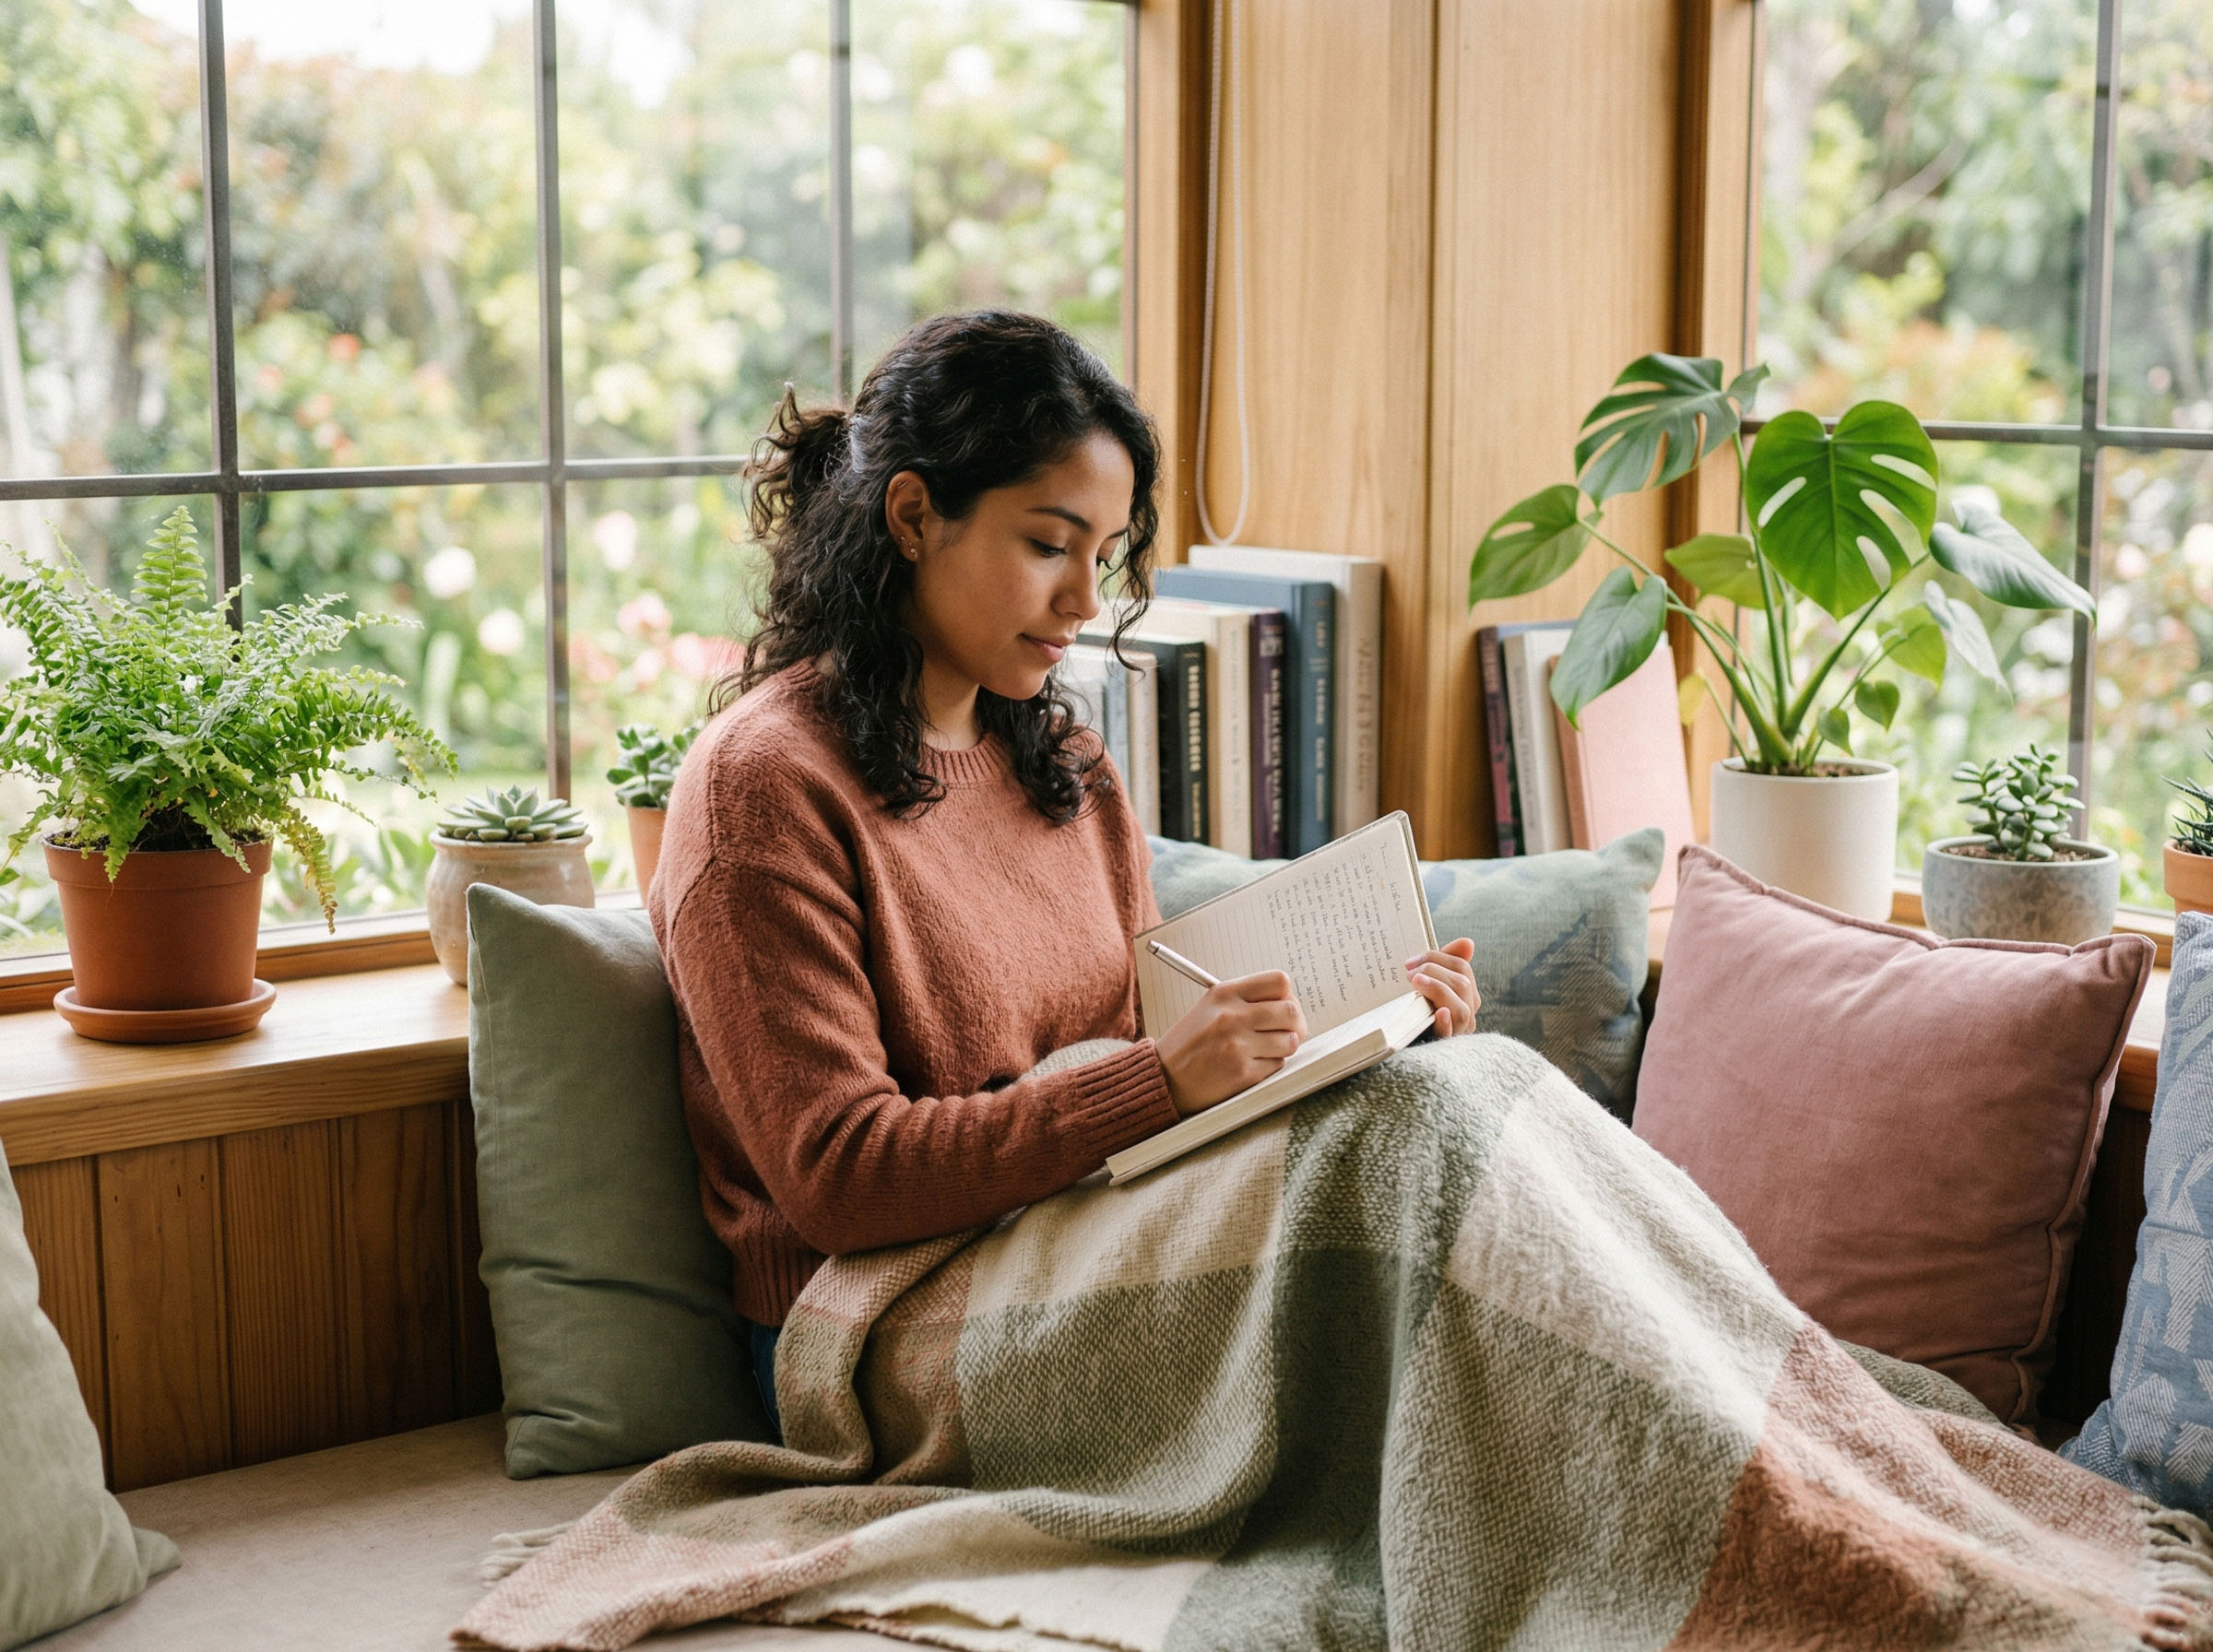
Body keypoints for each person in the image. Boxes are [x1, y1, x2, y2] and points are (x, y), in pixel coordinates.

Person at [648, 310, 1480, 1436]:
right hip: (878, 1321)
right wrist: (1152, 1085)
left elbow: (1155, 1060)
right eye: (1050, 544)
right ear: (912, 514)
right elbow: (839, 1178)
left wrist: (1374, 1031)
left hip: (1098, 1233)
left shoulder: (1067, 764)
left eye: (1104, 555)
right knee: (1418, 1197)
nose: (1087, 601)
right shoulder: (763, 786)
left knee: (1444, 1108)